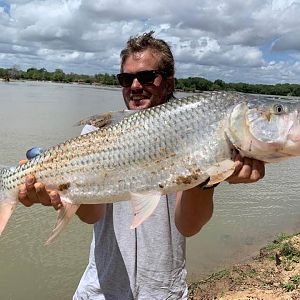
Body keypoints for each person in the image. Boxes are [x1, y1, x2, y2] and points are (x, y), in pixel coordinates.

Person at [18, 32, 265, 299]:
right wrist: (63, 194)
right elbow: (92, 215)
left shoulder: (193, 128)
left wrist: (211, 179)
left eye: (146, 77)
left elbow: (189, 226)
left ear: (169, 83)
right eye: (126, 79)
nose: (135, 85)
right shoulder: (97, 132)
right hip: (100, 289)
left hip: (162, 290)